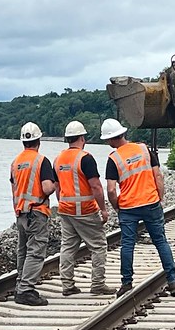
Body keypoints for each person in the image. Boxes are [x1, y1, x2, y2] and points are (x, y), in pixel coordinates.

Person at [101, 117, 175, 297]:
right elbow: (158, 176)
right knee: (161, 241)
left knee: (127, 244)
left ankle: (126, 283)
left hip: (128, 207)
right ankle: (173, 281)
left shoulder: (113, 159)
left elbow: (111, 189)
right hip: (151, 202)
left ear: (111, 139)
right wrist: (159, 198)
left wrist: (117, 207)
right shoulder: (144, 149)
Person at [56, 120, 113, 296]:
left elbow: (58, 187)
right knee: (98, 246)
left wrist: (63, 203)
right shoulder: (85, 158)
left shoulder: (58, 159)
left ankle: (67, 284)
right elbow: (96, 186)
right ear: (82, 138)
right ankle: (97, 284)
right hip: (85, 210)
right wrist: (103, 209)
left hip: (65, 210)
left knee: (67, 247)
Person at [10, 122, 56, 306]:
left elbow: (14, 188)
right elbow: (46, 188)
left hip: (20, 212)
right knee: (36, 251)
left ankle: (20, 284)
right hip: (36, 211)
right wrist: (55, 185)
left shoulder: (15, 162)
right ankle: (25, 290)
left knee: (22, 251)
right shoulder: (41, 161)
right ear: (39, 140)